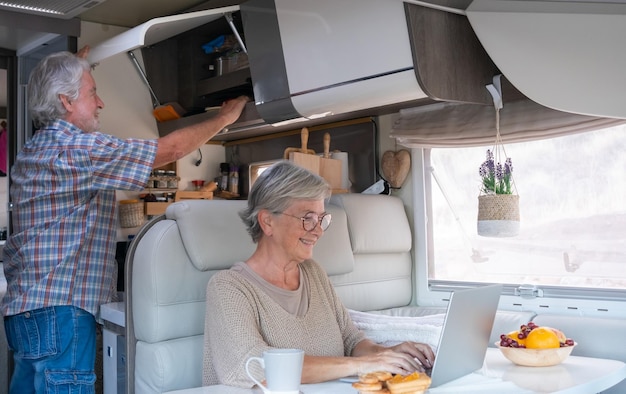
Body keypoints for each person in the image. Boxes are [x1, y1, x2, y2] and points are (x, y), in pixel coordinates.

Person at [1, 47, 247, 393]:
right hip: (62, 312)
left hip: (27, 311)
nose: (100, 103)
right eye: (92, 93)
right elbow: (169, 152)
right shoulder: (77, 150)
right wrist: (225, 118)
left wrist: (82, 64)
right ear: (65, 101)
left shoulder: (34, 149)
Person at [203, 160, 435, 387]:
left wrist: (387, 353)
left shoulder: (313, 273)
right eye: (307, 219)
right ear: (267, 221)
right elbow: (252, 366)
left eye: (321, 219)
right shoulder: (228, 287)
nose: (318, 231)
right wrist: (362, 365)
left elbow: (350, 339)